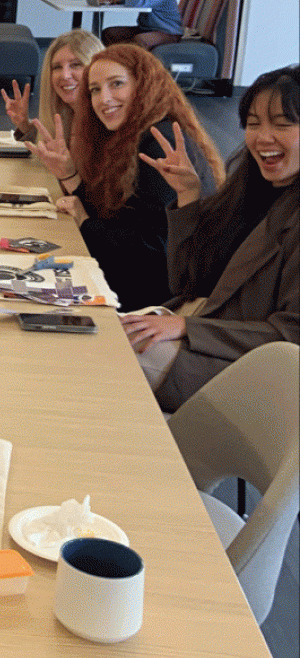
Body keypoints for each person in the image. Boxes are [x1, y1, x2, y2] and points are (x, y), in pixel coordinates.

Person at [121, 65, 298, 412]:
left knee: (105, 363)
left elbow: (291, 335)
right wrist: (188, 197)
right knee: (85, 335)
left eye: (281, 123)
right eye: (253, 122)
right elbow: (184, 282)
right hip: (195, 331)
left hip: (245, 369)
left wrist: (189, 328)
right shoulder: (251, 189)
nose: (263, 137)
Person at [26, 44, 223, 310]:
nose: (104, 98)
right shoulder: (128, 135)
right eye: (95, 90)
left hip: (146, 299)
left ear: (144, 86)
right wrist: (69, 175)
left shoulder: (158, 142)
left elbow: (151, 251)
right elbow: (119, 217)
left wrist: (85, 223)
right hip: (126, 278)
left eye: (116, 84)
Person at [1, 29, 103, 145]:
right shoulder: (67, 113)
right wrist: (25, 125)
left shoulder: (106, 121)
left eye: (76, 65)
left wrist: (67, 164)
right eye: (57, 67)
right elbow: (54, 145)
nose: (65, 75)